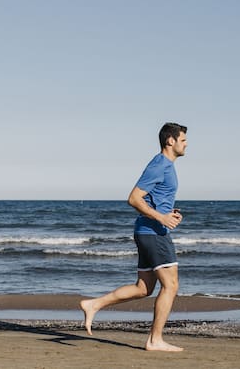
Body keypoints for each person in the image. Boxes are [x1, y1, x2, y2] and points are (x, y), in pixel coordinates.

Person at [80, 122, 188, 352]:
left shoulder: (166, 165)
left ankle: (94, 304)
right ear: (171, 140)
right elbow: (134, 198)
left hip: (149, 230)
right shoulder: (160, 165)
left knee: (144, 288)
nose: (186, 144)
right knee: (171, 285)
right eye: (183, 139)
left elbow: (152, 199)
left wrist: (169, 214)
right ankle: (154, 340)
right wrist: (161, 218)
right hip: (153, 232)